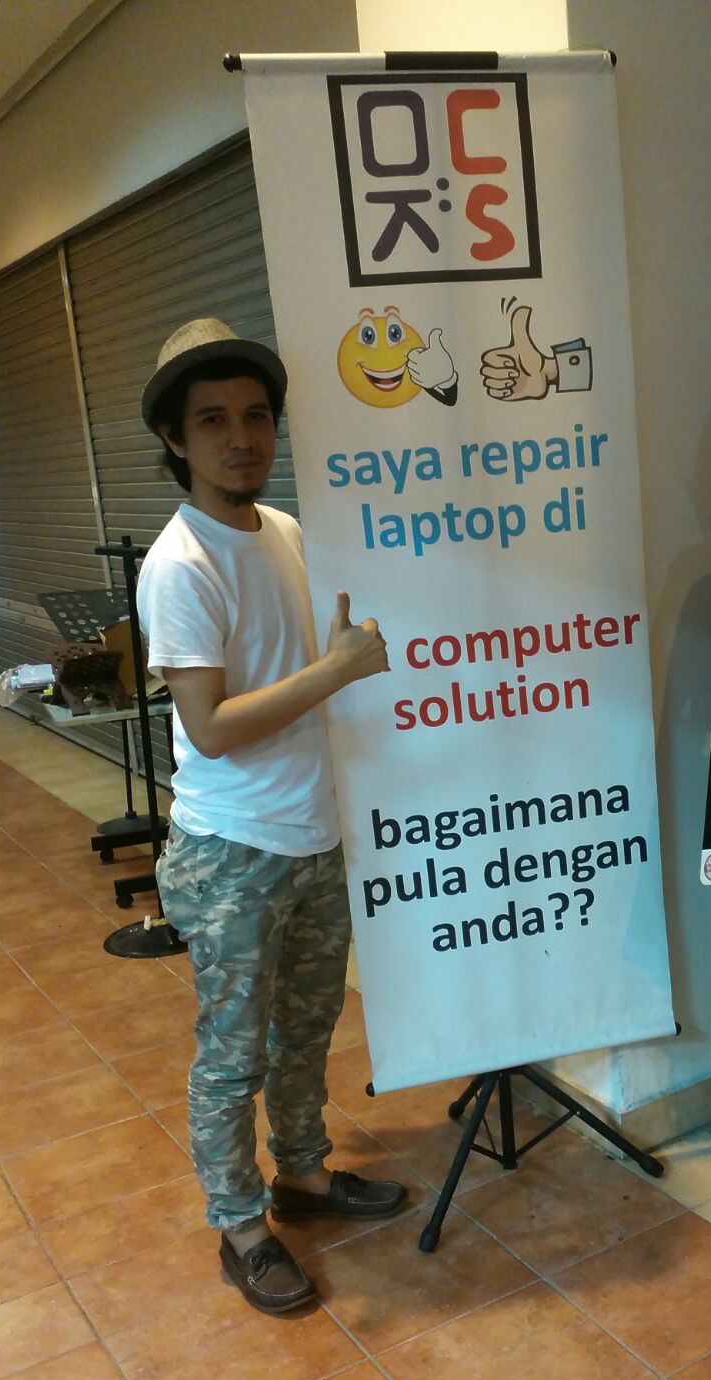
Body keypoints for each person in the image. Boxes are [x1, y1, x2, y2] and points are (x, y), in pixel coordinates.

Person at [138, 318, 406, 1315]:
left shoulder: (287, 531)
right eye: (212, 420)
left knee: (307, 1028)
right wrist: (335, 672)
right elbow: (209, 728)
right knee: (232, 1055)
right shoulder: (181, 564)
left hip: (311, 837)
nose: (241, 437)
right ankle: (242, 1225)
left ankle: (301, 1172)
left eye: (256, 415)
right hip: (230, 853)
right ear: (175, 438)